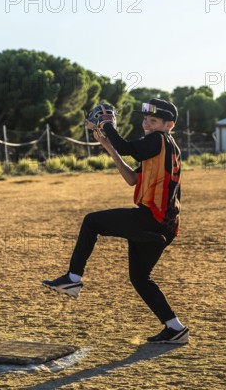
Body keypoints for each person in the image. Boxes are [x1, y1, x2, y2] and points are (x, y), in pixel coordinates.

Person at [43, 98, 188, 344]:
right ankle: (175, 328)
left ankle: (73, 279)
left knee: (91, 222)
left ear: (169, 124)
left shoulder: (158, 140)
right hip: (163, 225)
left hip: (151, 219)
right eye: (145, 120)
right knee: (140, 279)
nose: (147, 125)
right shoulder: (162, 146)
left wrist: (109, 125)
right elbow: (133, 179)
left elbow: (126, 146)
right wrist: (111, 149)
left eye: (153, 121)